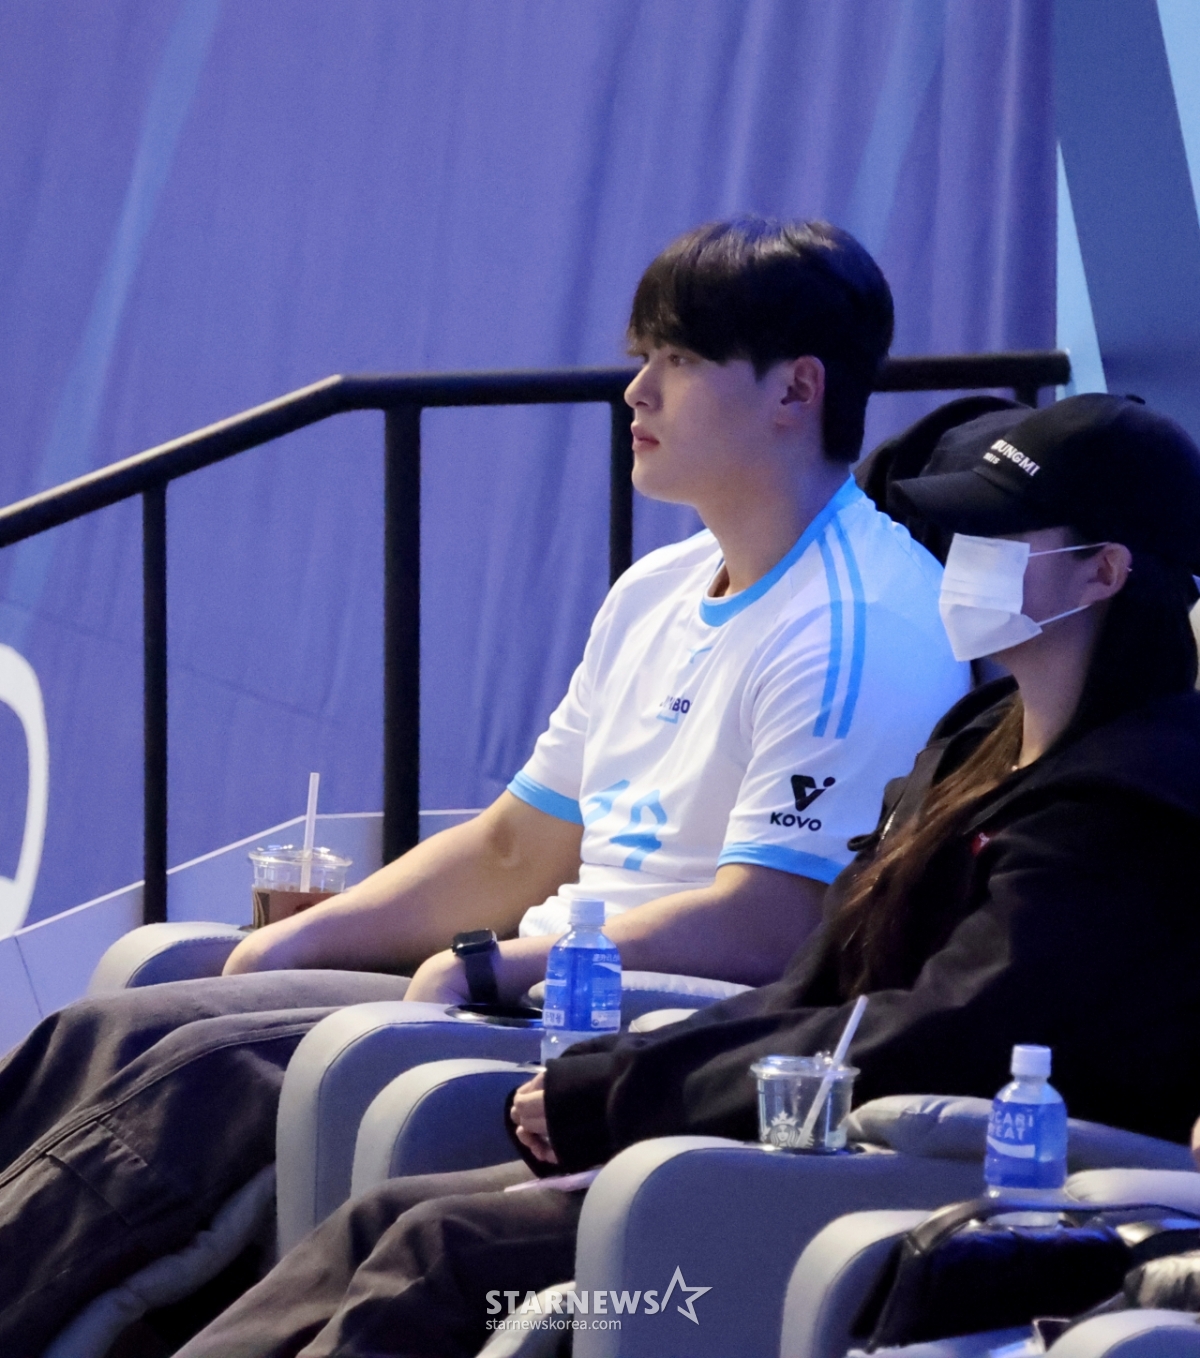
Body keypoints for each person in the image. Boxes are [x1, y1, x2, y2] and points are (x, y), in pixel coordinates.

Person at [0, 218, 968, 1354]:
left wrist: (493, 963)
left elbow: (774, 921)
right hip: (531, 984)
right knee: (114, 1018)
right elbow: (515, 846)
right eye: (642, 355)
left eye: (678, 358)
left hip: (634, 1025)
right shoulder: (657, 588)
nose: (637, 391)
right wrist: (298, 941)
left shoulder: (862, 622)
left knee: (203, 1070)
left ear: (797, 389)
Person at [179, 392, 1200, 1358]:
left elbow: (942, 1033)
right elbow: (825, 974)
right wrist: (625, 1076)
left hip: (925, 1196)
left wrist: (632, 1090)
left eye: (993, 535)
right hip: (812, 1148)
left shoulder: (1131, 804)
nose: (956, 559)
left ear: (1102, 572)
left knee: (446, 1254)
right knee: (386, 1216)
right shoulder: (980, 735)